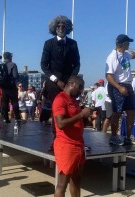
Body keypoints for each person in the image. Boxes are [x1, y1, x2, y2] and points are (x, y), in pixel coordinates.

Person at [41, 15, 80, 149]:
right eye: (58, 26)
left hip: (69, 84)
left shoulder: (73, 44)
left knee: (70, 111)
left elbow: (77, 64)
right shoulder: (48, 43)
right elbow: (43, 65)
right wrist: (56, 80)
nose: (61, 28)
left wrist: (71, 81)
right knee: (56, 112)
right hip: (53, 83)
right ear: (54, 27)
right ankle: (55, 139)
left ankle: (70, 138)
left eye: (63, 26)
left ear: (67, 28)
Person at [52, 75, 91, 197]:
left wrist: (88, 118)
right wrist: (81, 115)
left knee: (76, 180)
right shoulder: (60, 99)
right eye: (79, 87)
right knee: (62, 183)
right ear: (72, 84)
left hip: (78, 144)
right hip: (66, 145)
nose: (80, 91)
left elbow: (78, 122)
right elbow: (61, 123)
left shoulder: (73, 100)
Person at [105, 34, 135, 146]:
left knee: (131, 111)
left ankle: (128, 137)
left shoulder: (125, 54)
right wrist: (119, 87)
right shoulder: (112, 57)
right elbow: (108, 76)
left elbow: (132, 55)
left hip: (127, 85)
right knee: (117, 112)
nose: (129, 45)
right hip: (116, 85)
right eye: (128, 43)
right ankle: (113, 136)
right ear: (122, 44)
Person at [0, 52, 21, 123]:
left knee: (4, 102)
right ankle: (17, 118)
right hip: (11, 87)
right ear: (10, 57)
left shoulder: (1, 65)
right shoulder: (13, 65)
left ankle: (5, 118)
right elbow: (15, 76)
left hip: (4, 87)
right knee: (14, 103)